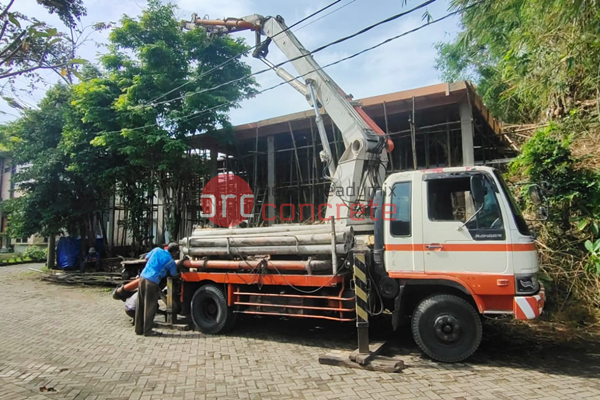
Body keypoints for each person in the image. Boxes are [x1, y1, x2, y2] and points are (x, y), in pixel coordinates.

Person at [135, 242, 180, 336]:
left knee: (141, 304)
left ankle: (138, 329)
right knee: (150, 306)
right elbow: (174, 274)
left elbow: (146, 258)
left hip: (142, 277)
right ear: (175, 252)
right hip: (152, 282)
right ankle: (147, 331)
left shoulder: (157, 250)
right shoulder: (170, 261)